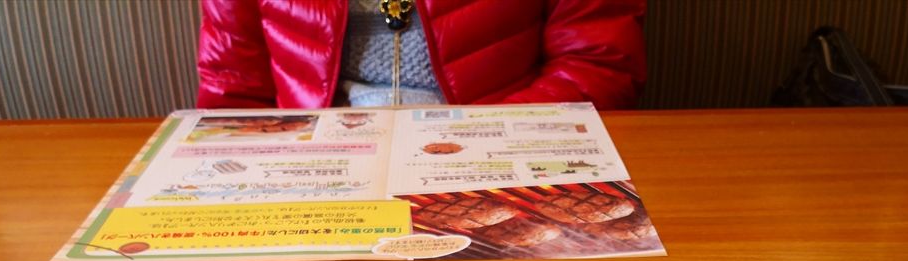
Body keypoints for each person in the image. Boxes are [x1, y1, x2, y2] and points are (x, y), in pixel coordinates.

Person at [197, 0, 647, 111]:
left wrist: (483, 144)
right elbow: (234, 90)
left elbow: (597, 67)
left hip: (500, 159)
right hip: (316, 169)